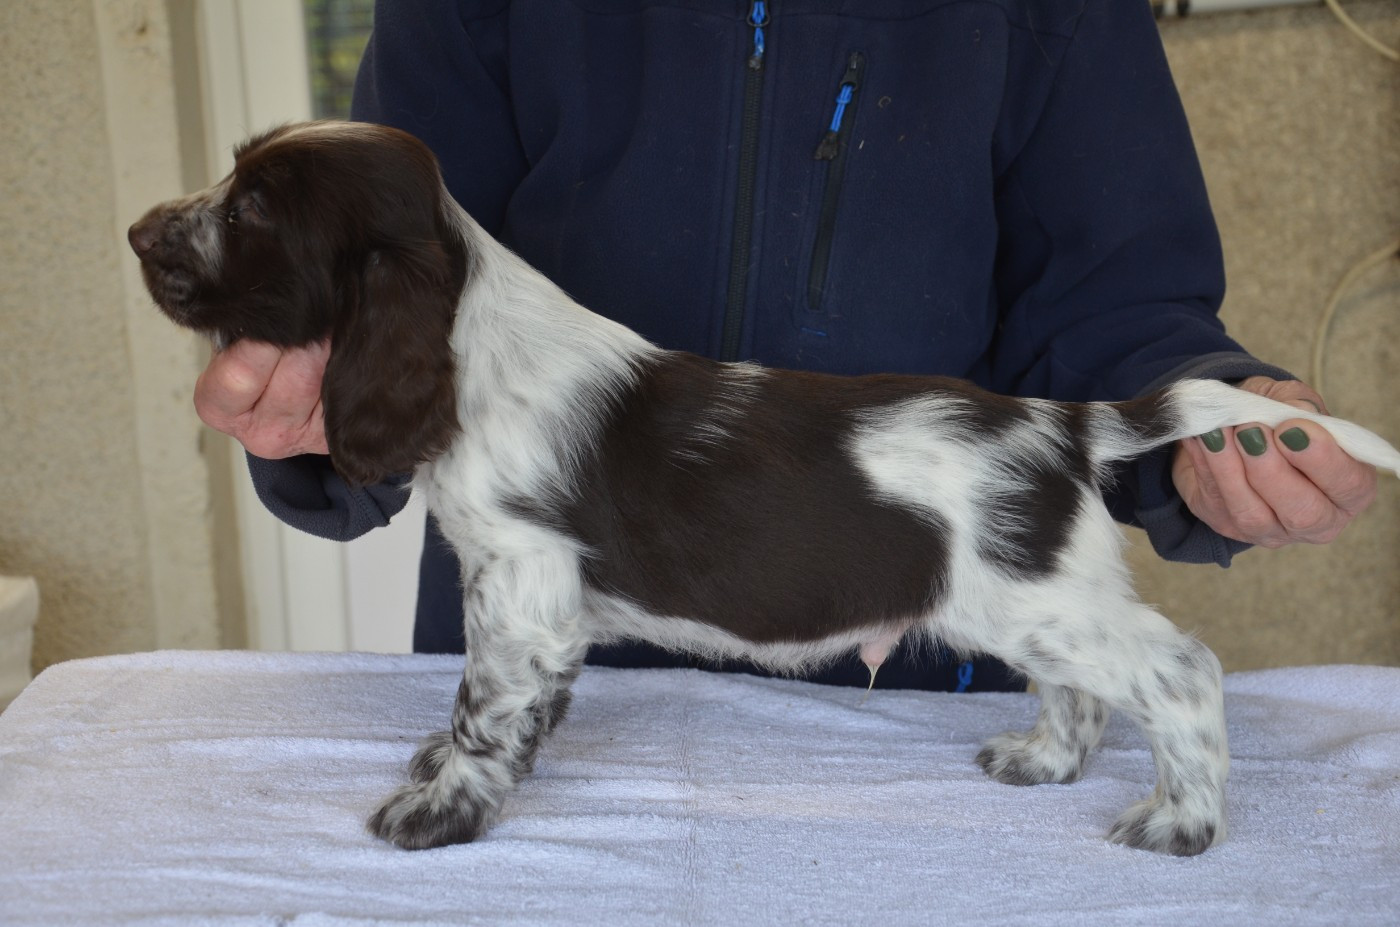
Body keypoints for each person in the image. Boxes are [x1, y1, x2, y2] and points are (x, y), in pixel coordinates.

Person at [197, 0, 1377, 691]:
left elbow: (1109, 306)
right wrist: (317, 399)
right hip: (563, 674)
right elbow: (386, 272)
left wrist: (1205, 421)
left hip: (913, 662)